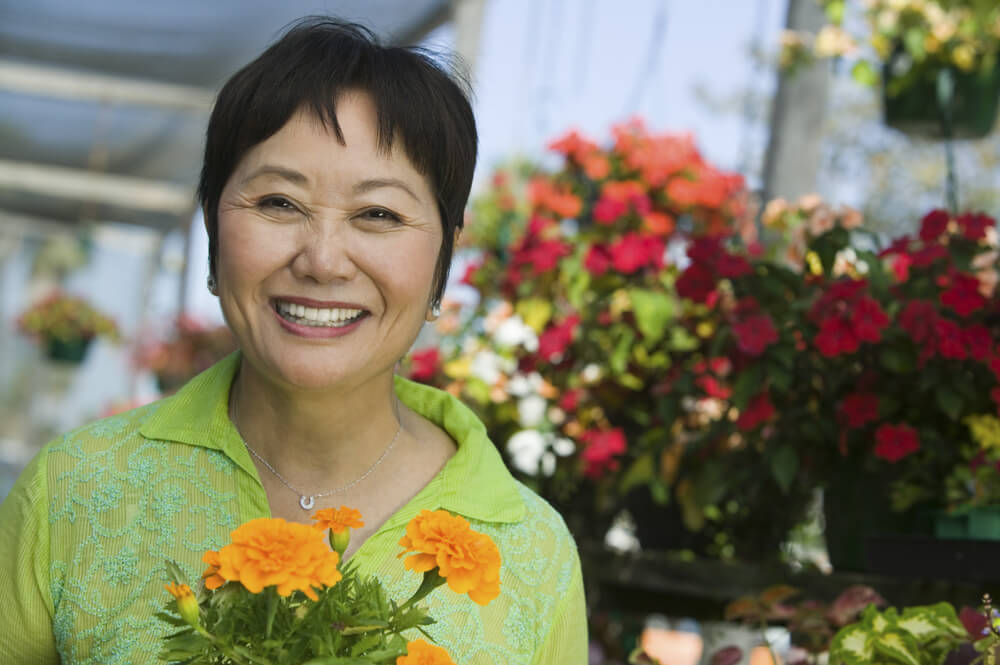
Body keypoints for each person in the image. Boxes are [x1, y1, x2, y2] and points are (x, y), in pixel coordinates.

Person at [0, 18, 586, 665]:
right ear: (214, 234)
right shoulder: (73, 491)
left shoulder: (531, 550)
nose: (323, 259)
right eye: (280, 203)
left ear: (444, 258)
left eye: (378, 214)